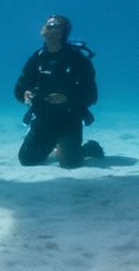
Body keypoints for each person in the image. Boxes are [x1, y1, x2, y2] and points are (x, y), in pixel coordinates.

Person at [14, 15, 100, 168]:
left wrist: (68, 98)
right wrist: (25, 94)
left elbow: (91, 94)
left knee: (71, 163)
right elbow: (20, 87)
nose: (47, 27)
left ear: (62, 33)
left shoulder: (78, 59)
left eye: (53, 25)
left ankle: (88, 148)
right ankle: (54, 144)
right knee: (27, 160)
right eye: (46, 24)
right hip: (43, 116)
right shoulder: (38, 58)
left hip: (69, 117)